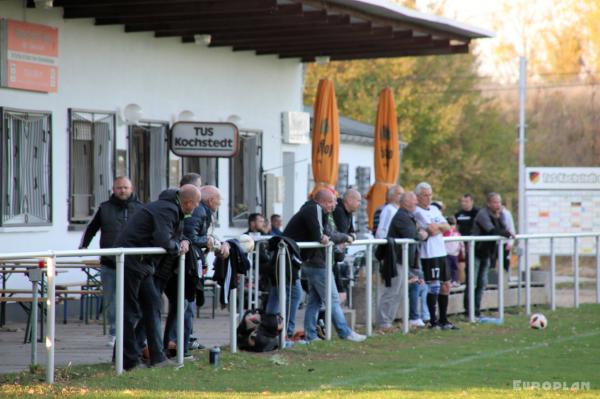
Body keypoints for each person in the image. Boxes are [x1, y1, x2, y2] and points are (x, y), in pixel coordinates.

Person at [116, 184, 200, 370]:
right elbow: (163, 239)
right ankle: (128, 361)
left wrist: (182, 241)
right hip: (132, 261)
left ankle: (157, 358)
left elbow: (173, 235)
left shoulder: (172, 208)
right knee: (130, 312)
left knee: (154, 305)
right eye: (195, 205)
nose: (195, 209)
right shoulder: (168, 209)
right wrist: (178, 246)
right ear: (187, 202)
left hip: (144, 263)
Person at [284, 188, 366, 342]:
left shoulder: (322, 212)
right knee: (332, 299)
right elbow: (322, 236)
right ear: (322, 202)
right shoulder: (313, 209)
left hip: (313, 260)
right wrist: (346, 237)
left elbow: (330, 234)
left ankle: (310, 334)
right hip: (315, 262)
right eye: (332, 202)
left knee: (315, 300)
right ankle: (345, 332)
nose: (335, 205)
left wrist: (345, 237)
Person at [79, 176, 144, 347]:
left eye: (125, 187)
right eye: (119, 187)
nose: (122, 190)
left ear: (131, 189)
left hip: (134, 263)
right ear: (113, 189)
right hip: (109, 263)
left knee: (134, 299)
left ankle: (133, 333)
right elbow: (92, 228)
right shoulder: (105, 208)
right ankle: (115, 333)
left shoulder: (141, 208)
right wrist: (83, 246)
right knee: (111, 301)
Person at [377, 192, 427, 330]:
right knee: (392, 292)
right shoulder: (402, 217)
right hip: (395, 260)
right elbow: (412, 234)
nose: (416, 203)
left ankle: (387, 322)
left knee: (398, 292)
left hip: (401, 259)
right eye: (414, 201)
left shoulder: (407, 216)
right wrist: (422, 234)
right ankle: (383, 323)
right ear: (406, 202)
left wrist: (420, 233)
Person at [414, 182, 457, 330]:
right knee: (434, 286)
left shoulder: (434, 209)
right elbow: (432, 230)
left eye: (429, 195)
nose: (427, 198)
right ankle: (433, 321)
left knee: (446, 285)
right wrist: (438, 228)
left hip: (441, 252)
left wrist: (437, 227)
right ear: (418, 196)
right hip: (429, 254)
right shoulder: (417, 211)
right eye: (424, 195)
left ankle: (444, 319)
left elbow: (446, 227)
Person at [466, 193, 513, 318]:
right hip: (475, 251)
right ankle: (469, 311)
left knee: (482, 283)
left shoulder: (500, 214)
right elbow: (492, 230)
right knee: (473, 282)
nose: (498, 205)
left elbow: (503, 228)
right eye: (495, 202)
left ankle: (476, 310)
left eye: (499, 202)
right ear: (488, 203)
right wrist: (507, 233)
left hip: (486, 253)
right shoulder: (482, 214)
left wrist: (506, 230)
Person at [443, 216, 464, 286]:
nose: (451, 226)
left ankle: (453, 280)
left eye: (453, 224)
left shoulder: (457, 234)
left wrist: (462, 252)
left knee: (454, 268)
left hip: (455, 254)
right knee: (447, 268)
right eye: (450, 224)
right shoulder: (444, 233)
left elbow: (461, 243)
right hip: (446, 253)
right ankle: (448, 281)